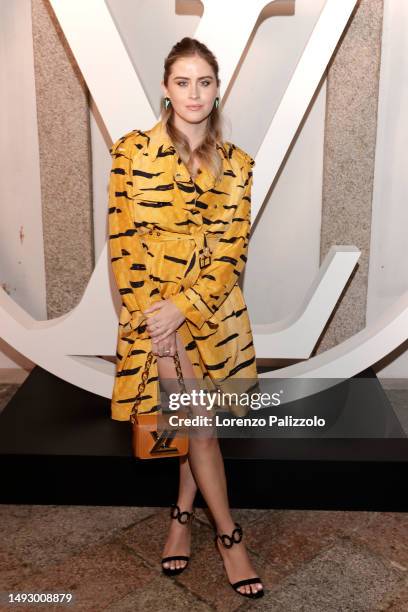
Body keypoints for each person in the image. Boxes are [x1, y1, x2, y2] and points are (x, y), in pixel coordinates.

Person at [108, 37, 263, 599]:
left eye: (205, 82)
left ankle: (179, 516)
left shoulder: (239, 165)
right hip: (155, 318)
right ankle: (230, 537)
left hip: (214, 316)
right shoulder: (130, 153)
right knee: (196, 426)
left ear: (217, 89)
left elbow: (231, 254)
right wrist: (159, 322)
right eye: (183, 82)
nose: (194, 93)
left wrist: (184, 309)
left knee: (200, 426)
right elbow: (123, 243)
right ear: (165, 88)